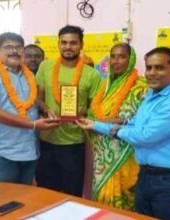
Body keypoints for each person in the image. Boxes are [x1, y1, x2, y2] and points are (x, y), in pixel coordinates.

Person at [76, 47, 170, 220]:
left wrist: (113, 129)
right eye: (149, 68)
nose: (152, 73)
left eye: (159, 68)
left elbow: (144, 136)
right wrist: (93, 124)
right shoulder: (150, 96)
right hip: (146, 175)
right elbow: (133, 123)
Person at [0, 32, 58, 185]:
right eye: (8, 47)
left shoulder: (28, 75)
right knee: (6, 202)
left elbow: (31, 98)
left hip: (31, 151)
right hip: (5, 153)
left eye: (18, 47)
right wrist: (32, 124)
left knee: (25, 200)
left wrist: (45, 109)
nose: (14, 51)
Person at [35, 25, 101, 196]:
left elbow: (95, 108)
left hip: (74, 143)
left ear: (81, 45)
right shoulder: (45, 67)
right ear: (58, 44)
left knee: (72, 194)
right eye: (64, 42)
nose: (68, 47)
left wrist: (81, 115)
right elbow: (38, 98)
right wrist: (46, 109)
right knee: (45, 193)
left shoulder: (91, 74)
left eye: (73, 43)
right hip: (46, 139)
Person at [87, 43, 148, 210]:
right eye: (113, 56)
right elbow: (94, 114)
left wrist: (104, 123)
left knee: (126, 197)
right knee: (102, 199)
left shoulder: (142, 86)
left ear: (131, 59)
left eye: (122, 56)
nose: (116, 61)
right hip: (102, 156)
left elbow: (140, 120)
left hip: (126, 153)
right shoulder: (104, 86)